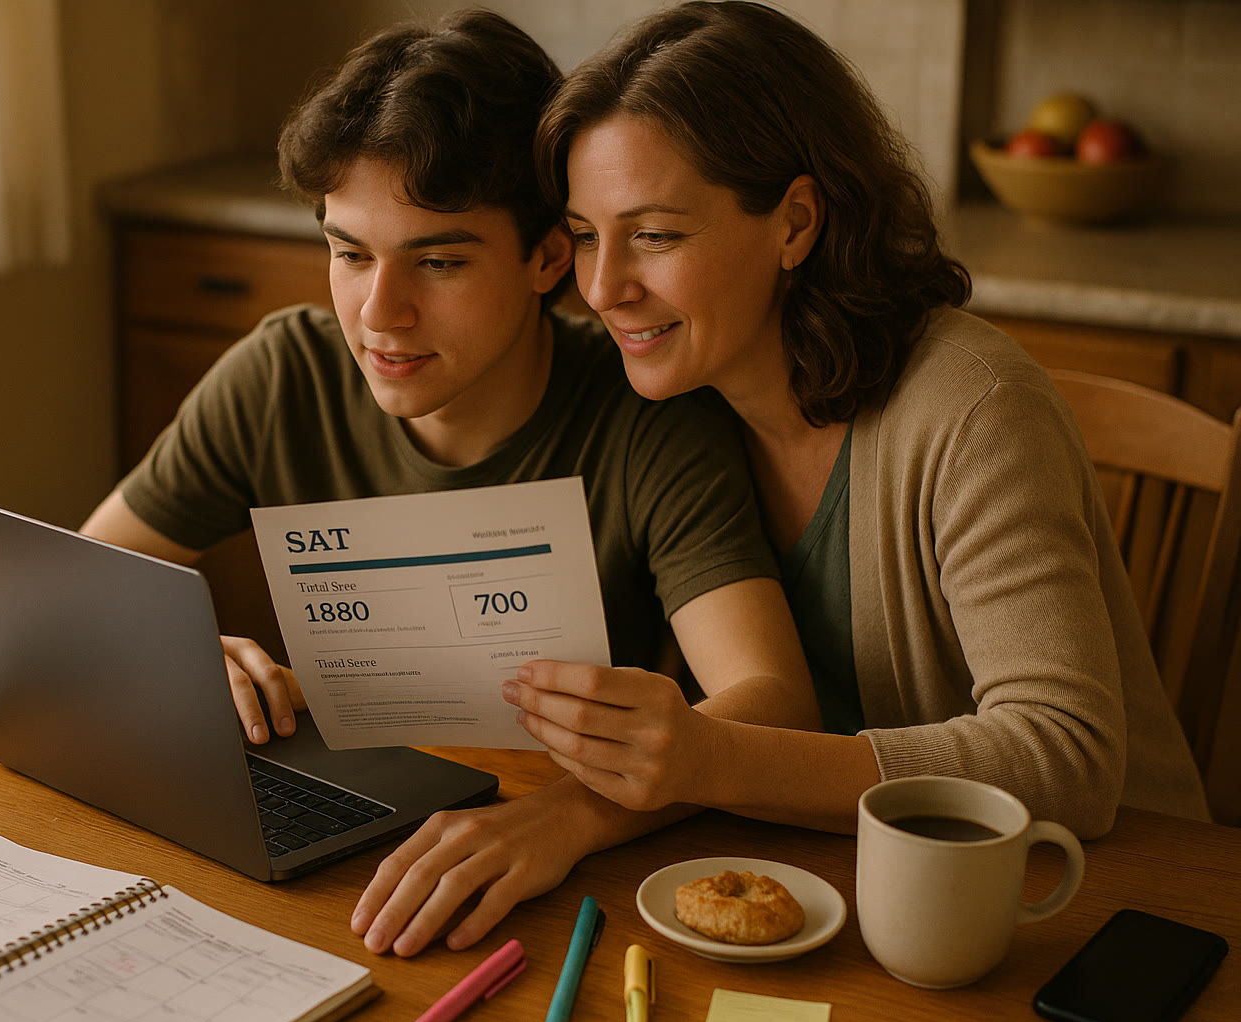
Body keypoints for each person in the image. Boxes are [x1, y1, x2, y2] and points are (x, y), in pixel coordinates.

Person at [81, 9, 819, 956]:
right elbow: (85, 581)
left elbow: (771, 698)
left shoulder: (649, 418)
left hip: (548, 878)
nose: (379, 314)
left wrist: (572, 818)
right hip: (323, 855)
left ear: (549, 256)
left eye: (437, 260)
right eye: (350, 253)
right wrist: (173, 646)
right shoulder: (281, 375)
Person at [496, 0, 1209, 841]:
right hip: (848, 878)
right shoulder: (679, 404)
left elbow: (1069, 759)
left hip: (1108, 897)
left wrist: (715, 758)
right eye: (585, 235)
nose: (602, 287)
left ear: (795, 222)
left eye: (654, 235)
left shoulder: (974, 410)